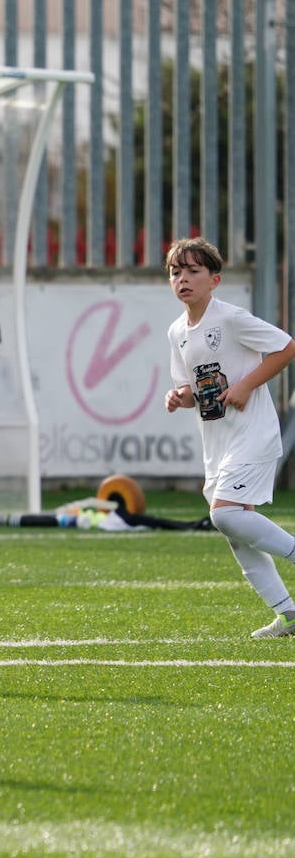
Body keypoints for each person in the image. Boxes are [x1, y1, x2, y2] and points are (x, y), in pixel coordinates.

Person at [162, 237, 295, 639]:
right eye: (175, 272)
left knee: (225, 515)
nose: (183, 279)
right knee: (235, 529)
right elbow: (191, 390)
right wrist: (178, 398)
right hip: (218, 442)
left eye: (193, 271)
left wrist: (247, 386)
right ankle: (288, 615)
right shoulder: (177, 332)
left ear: (214, 280)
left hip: (252, 434)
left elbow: (285, 348)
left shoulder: (231, 318)